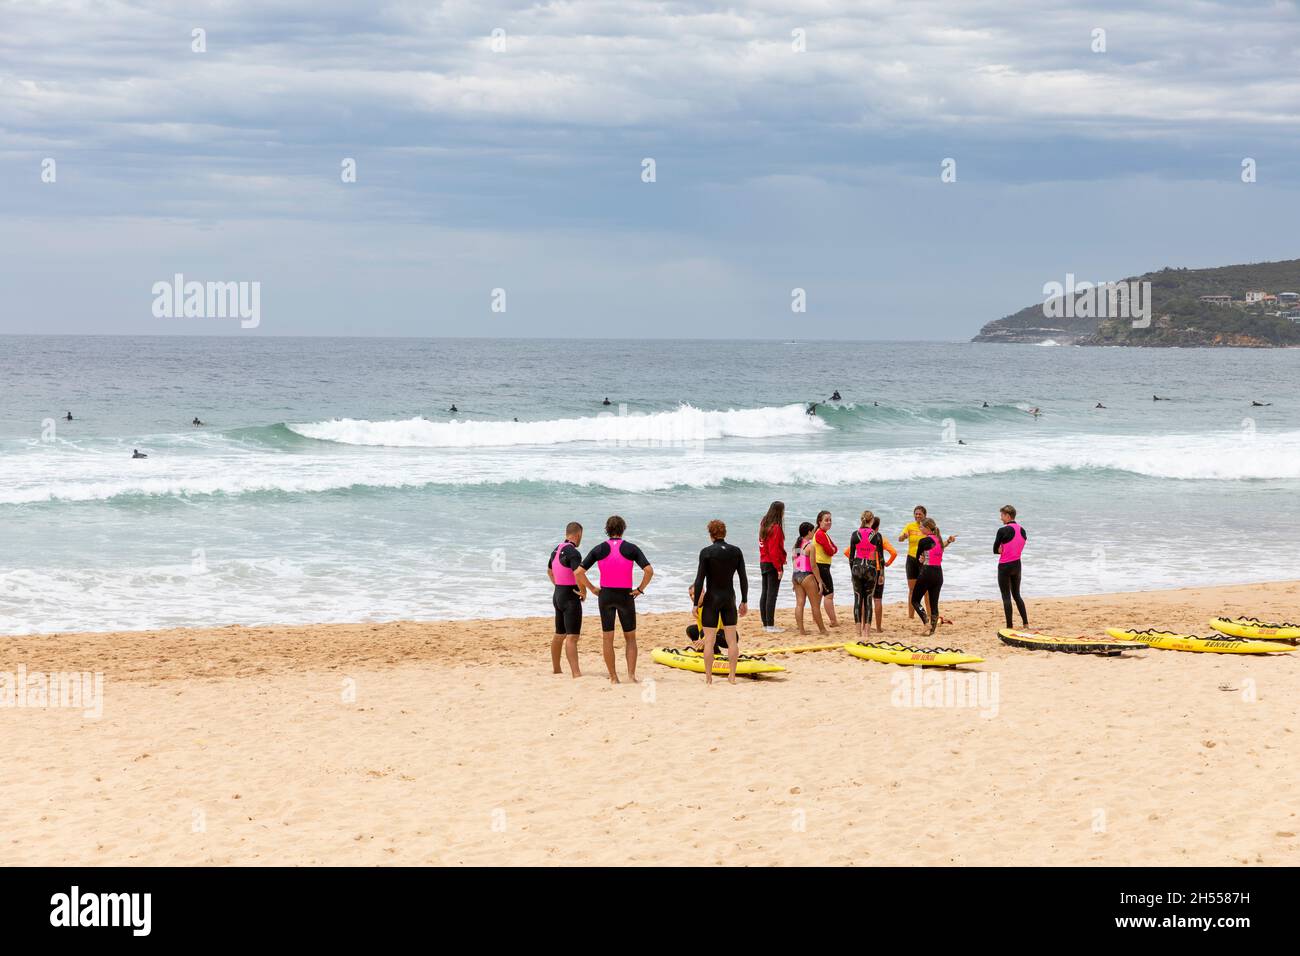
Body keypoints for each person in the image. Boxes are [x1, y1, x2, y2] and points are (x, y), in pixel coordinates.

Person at [575, 515, 653, 683]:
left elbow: (578, 572)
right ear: (623, 529)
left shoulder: (599, 549)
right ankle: (631, 676)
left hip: (606, 596)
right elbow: (649, 570)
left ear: (607, 530)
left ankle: (613, 677)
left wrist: (592, 588)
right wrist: (640, 589)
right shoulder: (631, 548)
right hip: (626, 596)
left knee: (608, 637)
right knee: (630, 638)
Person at [691, 520, 748, 683]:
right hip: (729, 598)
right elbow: (743, 578)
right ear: (725, 533)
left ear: (711, 535)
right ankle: (732, 676)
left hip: (712, 599)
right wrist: (744, 600)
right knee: (731, 640)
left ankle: (709, 678)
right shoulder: (736, 551)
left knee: (709, 641)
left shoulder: (706, 552)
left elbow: (699, 580)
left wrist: (696, 604)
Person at [547, 522, 586, 677]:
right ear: (577, 535)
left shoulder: (556, 550)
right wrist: (583, 591)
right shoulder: (573, 552)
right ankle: (576, 673)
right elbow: (578, 573)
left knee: (559, 634)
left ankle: (556, 669)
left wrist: (558, 586)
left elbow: (549, 571)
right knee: (572, 637)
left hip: (558, 594)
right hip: (570, 596)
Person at [911, 517, 956, 636]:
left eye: (921, 526)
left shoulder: (923, 541)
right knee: (933, 603)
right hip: (938, 574)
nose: (920, 528)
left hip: (927, 572)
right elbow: (940, 548)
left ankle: (926, 622)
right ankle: (932, 631)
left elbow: (918, 560)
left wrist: (921, 560)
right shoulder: (939, 540)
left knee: (915, 600)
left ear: (926, 528)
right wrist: (949, 541)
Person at [847, 510, 883, 639]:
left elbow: (851, 557)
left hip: (857, 568)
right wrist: (881, 574)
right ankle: (866, 633)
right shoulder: (876, 536)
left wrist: (852, 571)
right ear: (872, 520)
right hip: (870, 568)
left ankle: (857, 632)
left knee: (857, 599)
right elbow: (881, 558)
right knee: (868, 600)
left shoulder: (855, 534)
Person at [994, 505, 1029, 629]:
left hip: (1005, 566)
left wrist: (1001, 550)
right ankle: (1025, 623)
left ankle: (1009, 626)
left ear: (1008, 516)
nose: (1000, 518)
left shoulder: (1002, 531)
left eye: (1002, 515)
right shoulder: (1022, 530)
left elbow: (995, 550)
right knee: (1017, 595)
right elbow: (1020, 544)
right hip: (1017, 565)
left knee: (1006, 596)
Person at [790, 522, 827, 636]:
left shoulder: (796, 546)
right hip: (807, 576)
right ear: (809, 532)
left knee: (799, 604)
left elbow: (795, 562)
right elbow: (813, 566)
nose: (814, 533)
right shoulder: (811, 546)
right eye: (812, 531)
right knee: (815, 605)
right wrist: (820, 581)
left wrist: (793, 581)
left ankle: (801, 631)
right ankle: (822, 630)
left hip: (796, 576)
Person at [757, 500, 786, 633]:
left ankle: (765, 623)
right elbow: (774, 550)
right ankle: (770, 625)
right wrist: (779, 567)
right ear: (779, 512)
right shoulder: (776, 528)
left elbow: (765, 545)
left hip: (763, 561)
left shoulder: (764, 523)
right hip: (772, 563)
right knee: (771, 595)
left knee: (765, 593)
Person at [897, 505, 927, 619]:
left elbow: (935, 541)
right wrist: (904, 536)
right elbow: (900, 539)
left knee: (926, 590)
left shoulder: (927, 527)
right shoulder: (909, 526)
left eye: (920, 514)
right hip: (911, 560)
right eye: (916, 513)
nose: (917, 515)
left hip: (924, 560)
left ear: (925, 515)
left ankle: (928, 614)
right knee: (912, 589)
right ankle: (911, 616)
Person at [812, 510, 838, 627]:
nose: (829, 522)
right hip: (821, 566)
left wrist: (832, 549)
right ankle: (833, 621)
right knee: (829, 595)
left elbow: (835, 548)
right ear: (819, 521)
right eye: (826, 520)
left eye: (830, 520)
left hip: (821, 566)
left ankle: (816, 619)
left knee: (819, 594)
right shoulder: (820, 534)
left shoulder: (823, 533)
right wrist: (832, 549)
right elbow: (830, 550)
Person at [686, 584, 728, 652]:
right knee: (691, 630)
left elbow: (715, 628)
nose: (693, 597)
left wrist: (704, 639)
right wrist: (700, 645)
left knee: (705, 632)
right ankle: (707, 649)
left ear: (703, 592)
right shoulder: (697, 608)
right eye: (690, 595)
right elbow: (700, 627)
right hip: (712, 632)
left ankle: (715, 651)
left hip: (727, 636)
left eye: (695, 594)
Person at [871, 516, 896, 631]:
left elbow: (847, 552)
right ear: (878, 526)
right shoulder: (882, 538)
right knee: (877, 599)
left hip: (867, 569)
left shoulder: (862, 538)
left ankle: (863, 626)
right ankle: (878, 627)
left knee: (864, 600)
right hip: (879, 571)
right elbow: (894, 552)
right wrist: (888, 563)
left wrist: (858, 561)